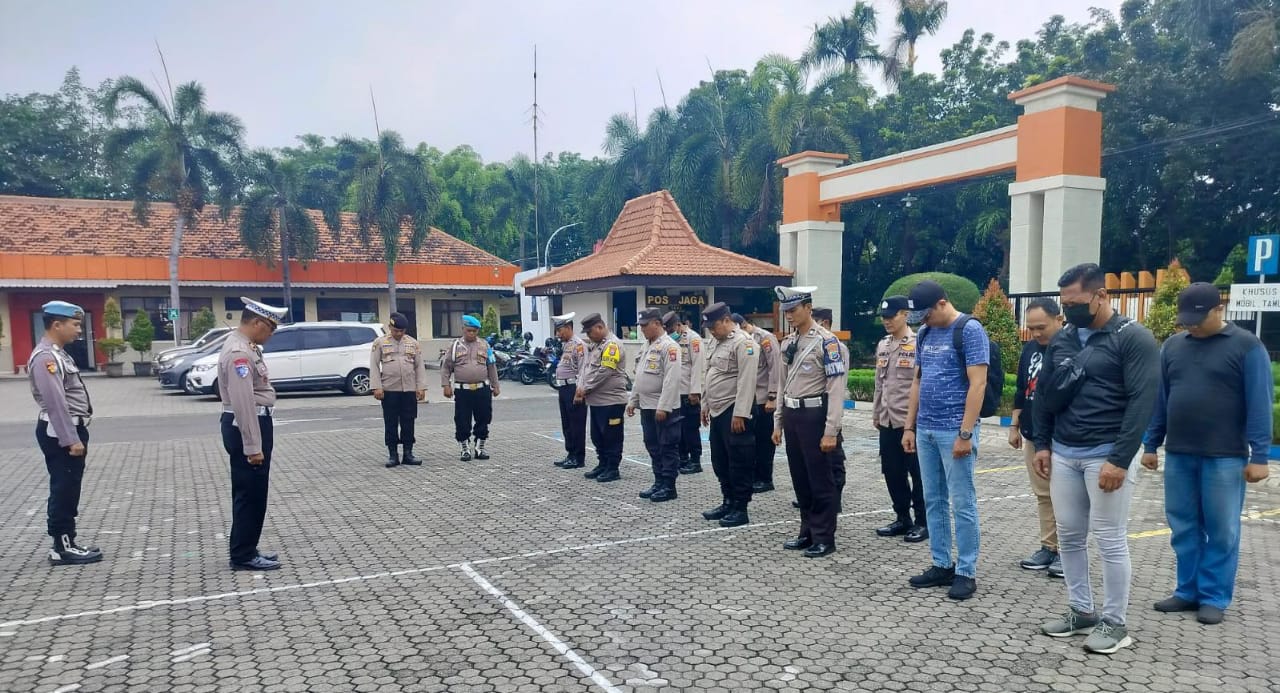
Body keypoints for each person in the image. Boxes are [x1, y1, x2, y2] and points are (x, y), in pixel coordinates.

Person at [1033, 263, 1158, 654]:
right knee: (1070, 535)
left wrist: (1119, 460)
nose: (1068, 310)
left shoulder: (1133, 338)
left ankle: (1115, 623)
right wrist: (1043, 444)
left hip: (1106, 453)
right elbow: (1044, 394)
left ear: (1101, 295)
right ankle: (1081, 610)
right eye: (1064, 303)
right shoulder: (1064, 337)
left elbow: (1142, 402)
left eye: (1075, 303)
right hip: (1065, 453)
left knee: (1109, 538)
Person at [1142, 282, 1273, 626]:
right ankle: (1187, 590)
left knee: (1222, 530)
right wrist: (1151, 444)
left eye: (1197, 319)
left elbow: (1259, 402)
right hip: (1179, 453)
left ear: (1219, 309)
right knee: (1183, 526)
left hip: (1225, 456)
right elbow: (1161, 399)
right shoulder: (1173, 347)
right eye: (1186, 320)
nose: (1191, 326)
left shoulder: (1247, 346)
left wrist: (1260, 456)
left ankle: (1214, 596)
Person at [901, 279, 989, 600]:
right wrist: (909, 427)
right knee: (933, 499)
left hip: (955, 430)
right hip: (925, 428)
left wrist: (965, 433)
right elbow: (917, 381)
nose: (923, 322)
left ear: (942, 303)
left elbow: (978, 384)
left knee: (962, 502)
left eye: (926, 315)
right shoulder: (925, 333)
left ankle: (966, 571)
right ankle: (941, 563)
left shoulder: (969, 330)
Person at [772, 288, 845, 557]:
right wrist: (778, 421)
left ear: (808, 308)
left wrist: (831, 431)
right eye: (786, 311)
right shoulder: (788, 342)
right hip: (793, 415)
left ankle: (824, 537)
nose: (789, 316)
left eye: (793, 310)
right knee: (800, 478)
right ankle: (807, 531)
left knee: (820, 479)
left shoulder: (827, 342)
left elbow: (836, 390)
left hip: (815, 416)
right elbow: (781, 385)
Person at [28, 300, 101, 566]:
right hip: (61, 431)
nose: (79, 330)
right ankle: (62, 547)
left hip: (67, 427)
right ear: (57, 325)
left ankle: (67, 541)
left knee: (69, 486)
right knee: (64, 488)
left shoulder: (58, 354)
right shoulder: (46, 358)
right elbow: (56, 402)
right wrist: (71, 439)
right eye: (75, 324)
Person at [219, 297, 288, 571]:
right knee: (250, 494)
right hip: (247, 425)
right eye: (270, 328)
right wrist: (252, 446)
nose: (271, 334)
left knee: (255, 492)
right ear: (257, 323)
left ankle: (248, 546)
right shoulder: (239, 352)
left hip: (253, 423)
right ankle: (243, 555)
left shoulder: (247, 347)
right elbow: (243, 402)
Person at [1010, 298, 1065, 576]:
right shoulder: (1030, 349)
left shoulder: (1071, 348)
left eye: (1041, 327)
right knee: (1043, 495)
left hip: (1062, 437)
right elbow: (1022, 388)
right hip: (1033, 434)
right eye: (1031, 328)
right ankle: (1049, 547)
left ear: (1059, 319)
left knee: (1066, 498)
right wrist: (1014, 424)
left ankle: (1068, 552)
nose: (1035, 333)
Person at [872, 296, 927, 543]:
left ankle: (923, 521)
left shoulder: (917, 344)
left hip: (910, 421)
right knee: (892, 471)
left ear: (905, 314)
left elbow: (920, 384)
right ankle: (902, 517)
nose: (887, 321)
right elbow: (879, 383)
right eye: (884, 317)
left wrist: (913, 423)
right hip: (888, 419)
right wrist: (876, 412)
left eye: (891, 316)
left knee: (918, 473)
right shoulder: (883, 345)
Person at [700, 302, 759, 527]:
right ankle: (728, 501)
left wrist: (741, 413)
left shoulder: (744, 343)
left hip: (734, 410)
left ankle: (740, 508)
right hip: (717, 410)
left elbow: (747, 380)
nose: (711, 332)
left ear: (726, 320)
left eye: (714, 327)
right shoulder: (716, 341)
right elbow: (709, 373)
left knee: (739, 461)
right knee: (720, 460)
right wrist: (705, 404)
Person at [628, 309, 684, 502]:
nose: (642, 329)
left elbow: (672, 379)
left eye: (645, 325)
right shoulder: (646, 345)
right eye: (641, 326)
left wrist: (664, 406)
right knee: (652, 445)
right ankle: (659, 481)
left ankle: (669, 486)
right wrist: (633, 400)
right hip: (647, 406)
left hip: (663, 408)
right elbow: (639, 376)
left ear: (657, 324)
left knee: (667, 446)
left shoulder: (670, 347)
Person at [370, 312, 427, 468]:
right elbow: (374, 366)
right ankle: (393, 455)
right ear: (390, 327)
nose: (399, 334)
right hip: (389, 389)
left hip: (409, 389)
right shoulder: (380, 343)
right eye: (396, 330)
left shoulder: (413, 343)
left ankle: (408, 453)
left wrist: (421, 387)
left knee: (409, 421)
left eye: (402, 331)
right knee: (391, 422)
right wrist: (376, 386)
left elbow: (419, 366)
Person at [576, 313, 629, 482]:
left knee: (611, 436)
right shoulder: (597, 346)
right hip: (597, 401)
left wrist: (586, 388)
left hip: (611, 401)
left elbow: (605, 371)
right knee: (597, 436)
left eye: (590, 332)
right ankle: (603, 463)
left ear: (599, 327)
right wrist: (580, 386)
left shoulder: (612, 345)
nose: (588, 336)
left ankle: (612, 468)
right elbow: (586, 369)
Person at [442, 314, 500, 461]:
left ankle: (480, 448)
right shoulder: (455, 346)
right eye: (469, 330)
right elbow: (446, 367)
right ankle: (465, 448)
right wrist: (446, 385)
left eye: (474, 331)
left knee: (484, 417)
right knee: (462, 419)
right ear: (463, 329)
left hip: (482, 389)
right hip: (463, 390)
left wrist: (495, 385)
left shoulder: (485, 345)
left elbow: (491, 366)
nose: (472, 333)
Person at [735, 313, 780, 494]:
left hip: (763, 399)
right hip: (749, 399)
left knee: (764, 442)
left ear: (742, 325)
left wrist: (772, 396)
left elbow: (775, 367)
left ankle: (765, 478)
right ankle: (755, 476)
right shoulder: (740, 341)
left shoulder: (765, 338)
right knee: (751, 442)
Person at [812, 306, 848, 510]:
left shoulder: (836, 348)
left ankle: (835, 498)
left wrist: (834, 420)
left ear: (824, 323)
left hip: (829, 406)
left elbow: (838, 385)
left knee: (834, 458)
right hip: (813, 410)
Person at [667, 311, 706, 475]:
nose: (669, 333)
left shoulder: (693, 339)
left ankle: (695, 461)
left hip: (688, 392)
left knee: (690, 428)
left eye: (670, 329)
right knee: (678, 429)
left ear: (678, 325)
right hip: (675, 392)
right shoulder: (669, 340)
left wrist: (695, 391)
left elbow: (698, 366)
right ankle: (682, 458)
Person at [552, 313, 589, 469]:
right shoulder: (567, 345)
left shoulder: (579, 345)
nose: (558, 334)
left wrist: (580, 390)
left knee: (576, 425)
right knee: (567, 424)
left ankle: (578, 458)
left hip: (574, 388)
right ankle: (570, 454)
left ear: (568, 328)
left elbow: (583, 369)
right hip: (564, 388)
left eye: (560, 330)